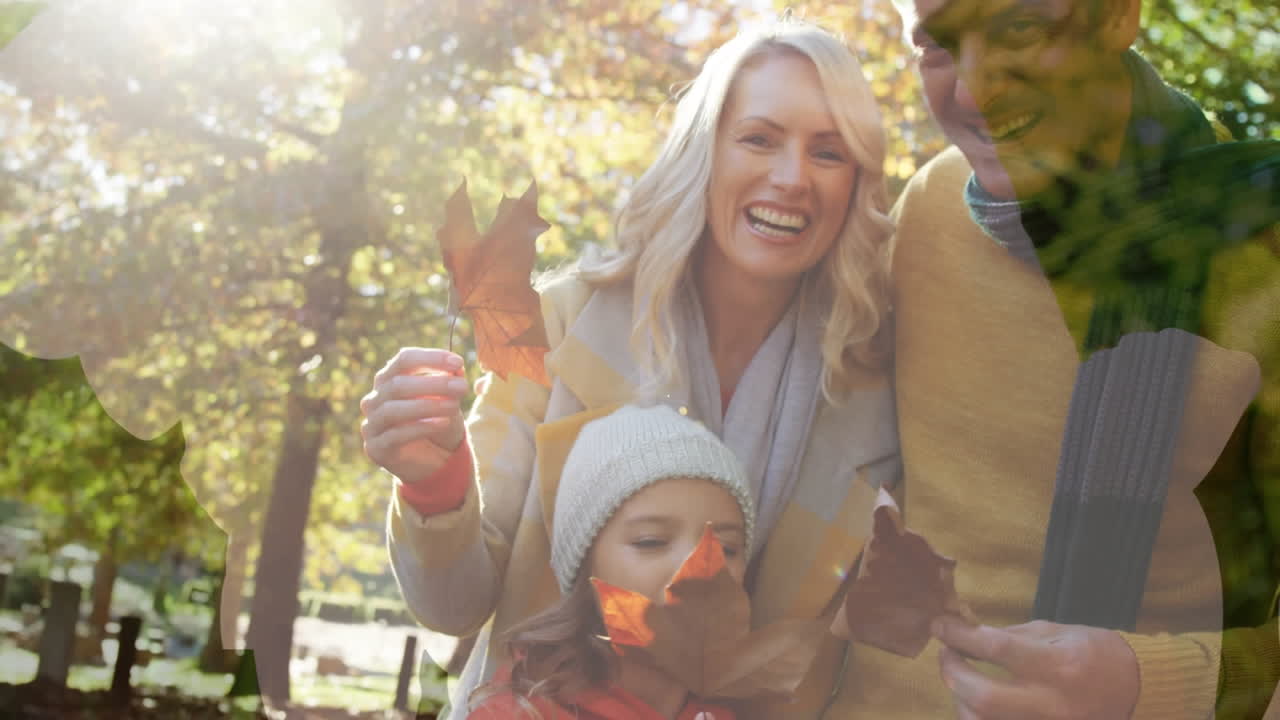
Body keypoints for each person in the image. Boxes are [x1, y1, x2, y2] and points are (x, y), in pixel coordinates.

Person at [361, 17, 901, 718]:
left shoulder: (877, 391)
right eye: (759, 139)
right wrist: (434, 484)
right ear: (702, 151)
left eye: (828, 153)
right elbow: (452, 604)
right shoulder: (562, 325)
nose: (793, 177)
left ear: (856, 179)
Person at [861, 0, 1280, 717]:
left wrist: (1145, 684)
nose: (974, 92)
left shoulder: (1259, 258)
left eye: (1018, 29)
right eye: (936, 48)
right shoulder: (924, 209)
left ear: (1120, 17)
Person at [468, 403, 750, 719]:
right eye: (651, 541)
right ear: (585, 565)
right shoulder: (524, 712)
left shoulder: (727, 707)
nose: (695, 567)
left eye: (725, 548)